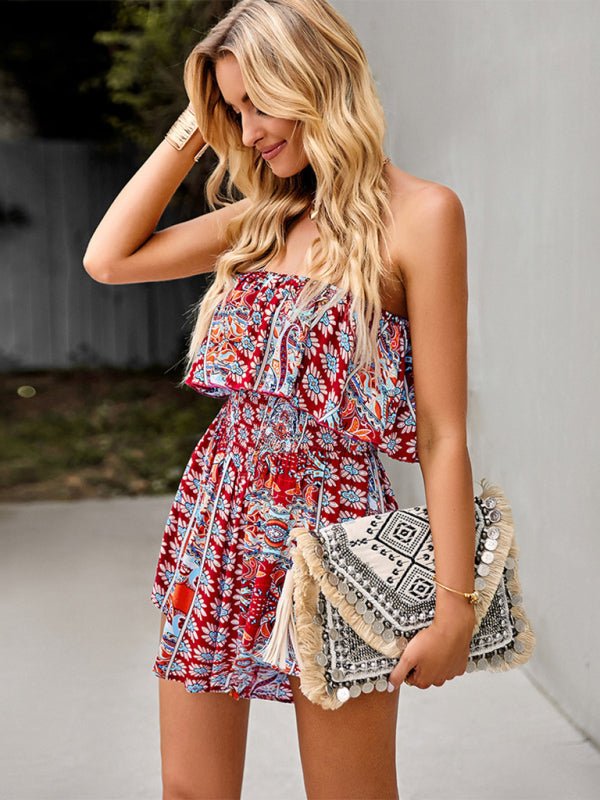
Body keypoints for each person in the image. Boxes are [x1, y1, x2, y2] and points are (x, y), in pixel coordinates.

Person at [83, 1, 476, 797]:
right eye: (232, 107)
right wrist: (193, 126)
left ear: (314, 80)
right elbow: (108, 259)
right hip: (219, 521)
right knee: (191, 792)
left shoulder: (423, 216)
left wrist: (455, 604)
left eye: (257, 101)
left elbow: (439, 432)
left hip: (338, 541)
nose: (248, 128)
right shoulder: (262, 218)